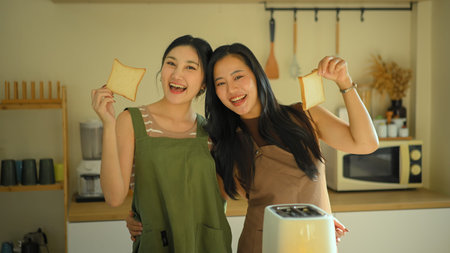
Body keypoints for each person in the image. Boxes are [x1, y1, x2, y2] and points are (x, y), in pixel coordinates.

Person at [203, 43, 378, 253]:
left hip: (315, 242)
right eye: (220, 83)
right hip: (259, 246)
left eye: (238, 77)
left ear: (257, 75)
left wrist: (344, 82)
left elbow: (366, 143)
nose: (231, 89)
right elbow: (209, 209)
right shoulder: (224, 144)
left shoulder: (305, 116)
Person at [91, 35, 232, 253]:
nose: (177, 74)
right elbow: (114, 197)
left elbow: (222, 198)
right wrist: (108, 124)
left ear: (205, 82)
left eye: (190, 67)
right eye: (171, 63)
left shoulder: (212, 132)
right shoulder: (132, 121)